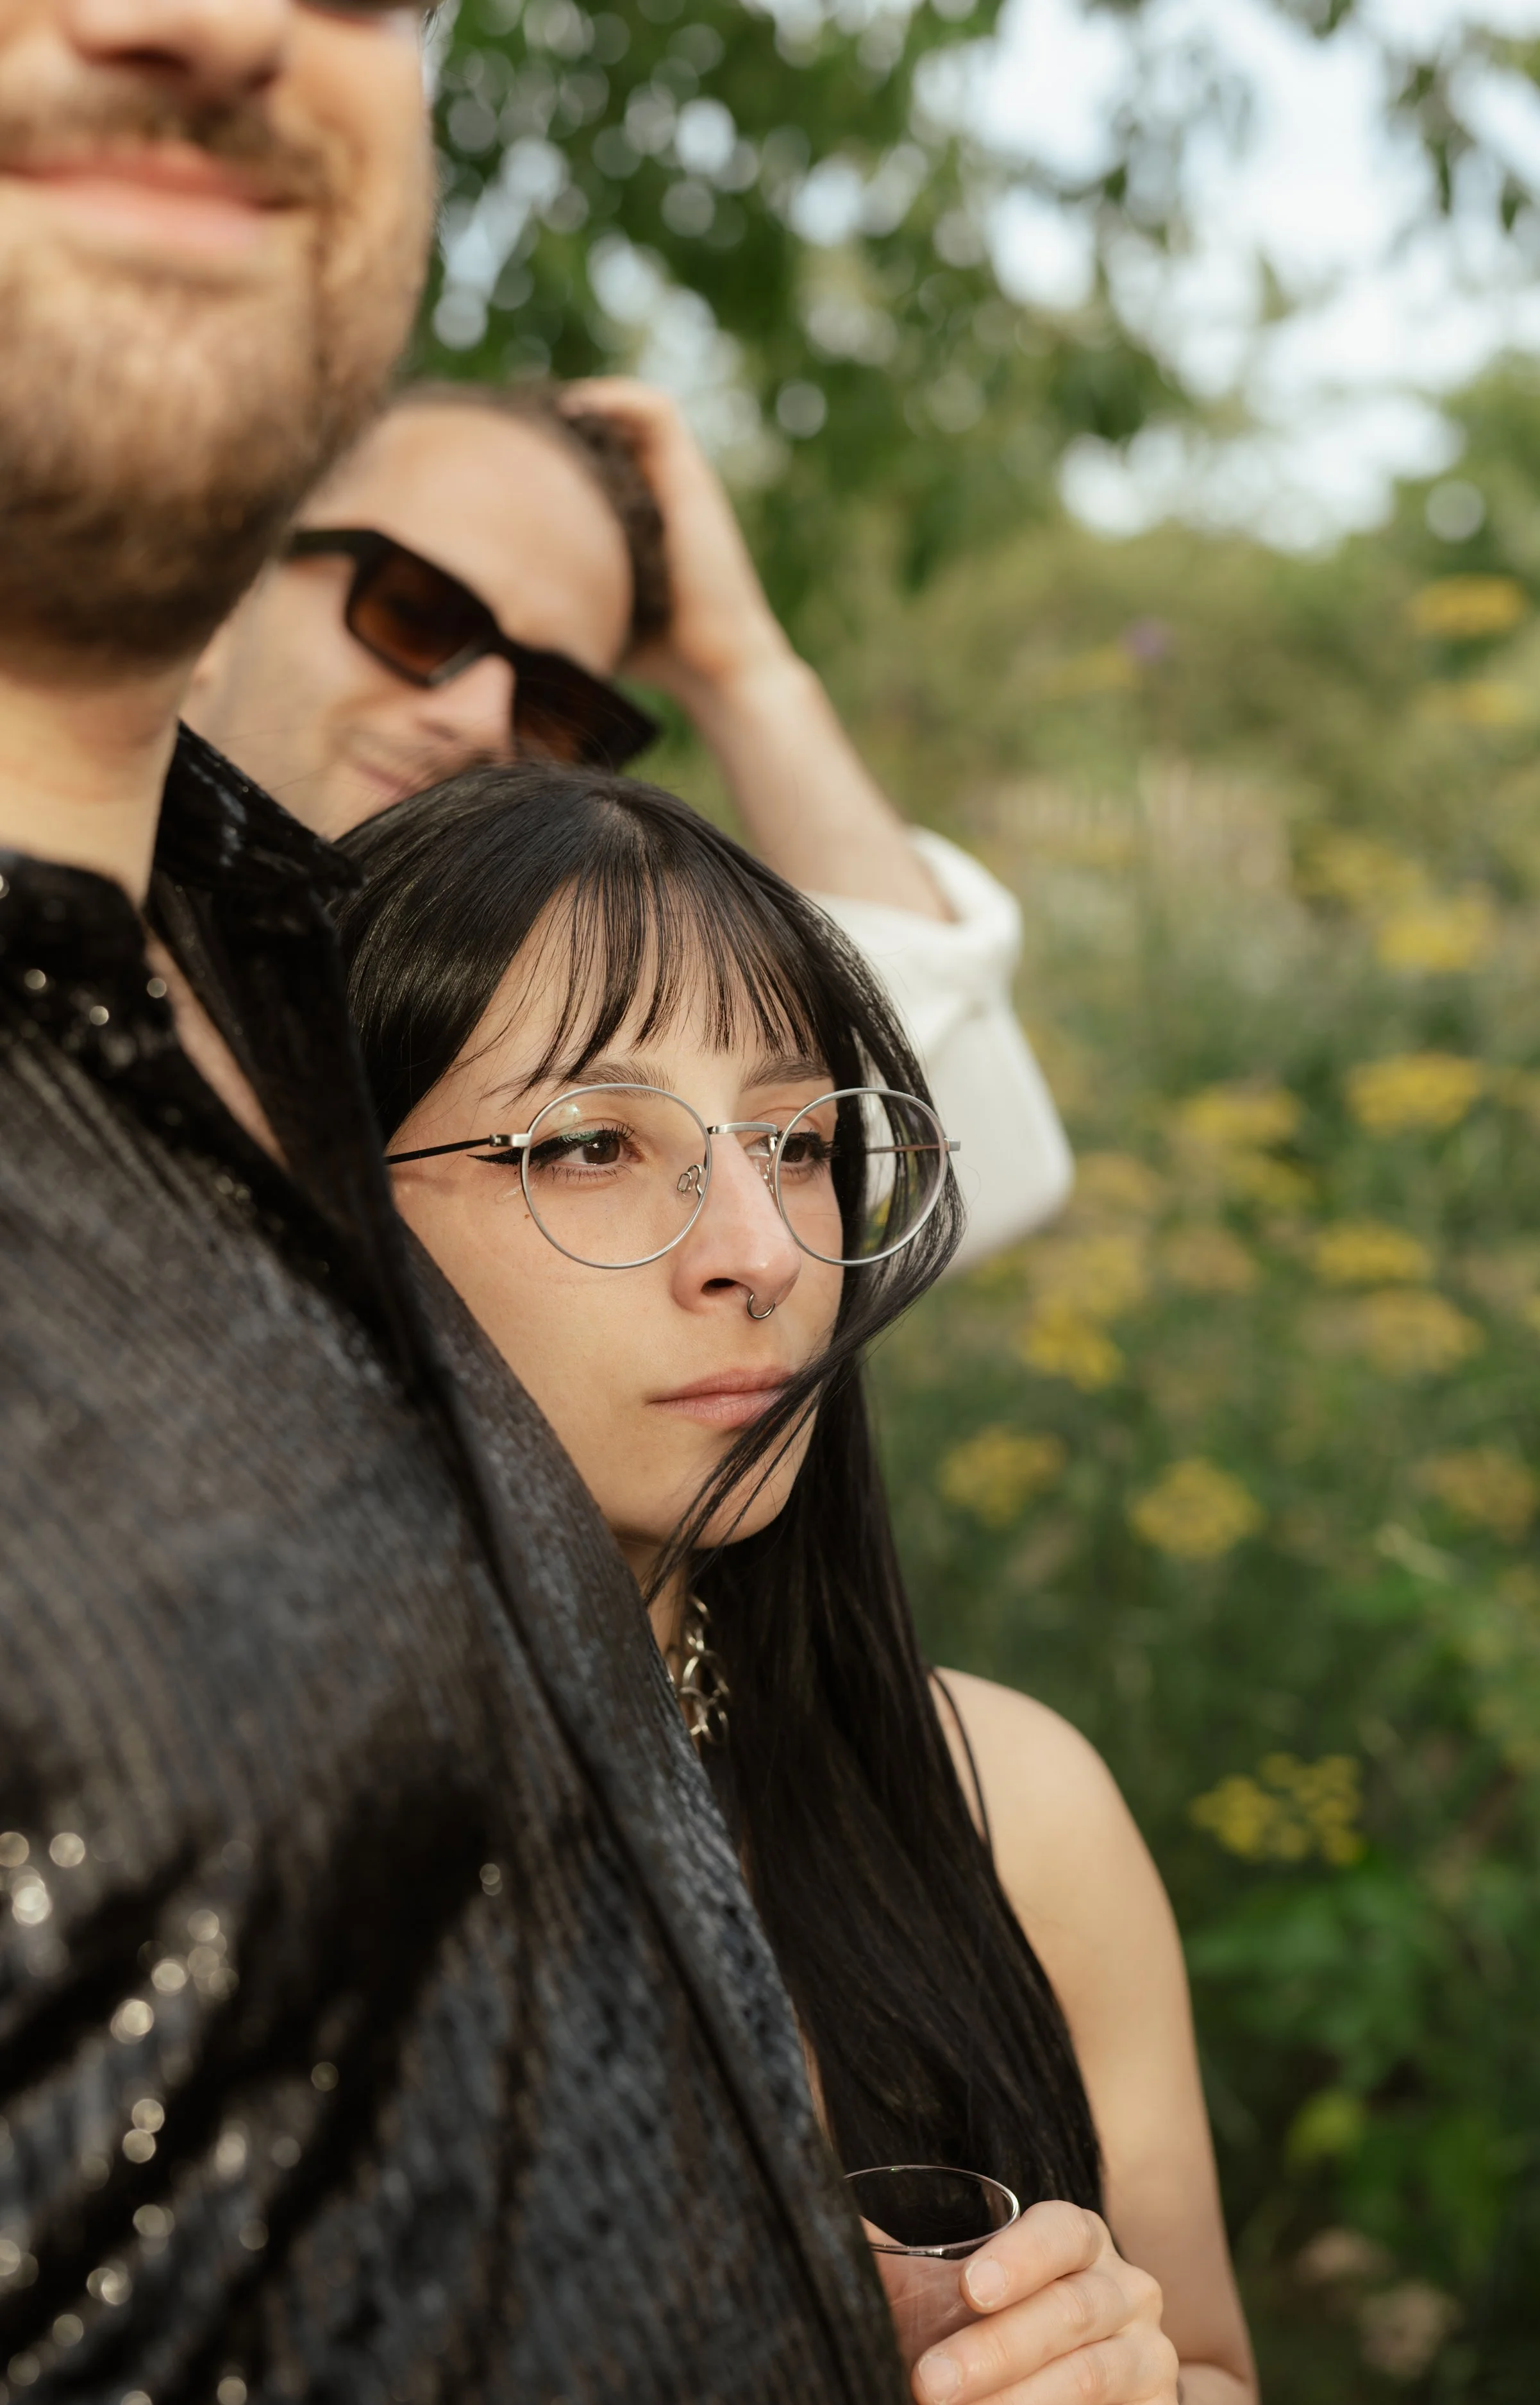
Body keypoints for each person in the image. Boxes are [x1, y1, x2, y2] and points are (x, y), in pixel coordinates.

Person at [0, 6, 912, 2398]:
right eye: (410, 611)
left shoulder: (270, 997)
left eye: (577, 704)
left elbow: (927, 1092)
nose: (199, 16)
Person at [334, 761, 1260, 2405]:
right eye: (595, 1143)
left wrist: (1133, 2378)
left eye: (799, 1140)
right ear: (325, 1208)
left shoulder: (1010, 1809)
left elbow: (1206, 2363)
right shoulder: (186, 1872)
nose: (758, 1249)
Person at [185, 376, 1072, 1265]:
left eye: (554, 700)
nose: (483, 718)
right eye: (416, 613)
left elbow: (963, 1175)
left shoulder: (511, 1018)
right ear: (227, 584)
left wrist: (744, 671)